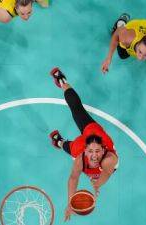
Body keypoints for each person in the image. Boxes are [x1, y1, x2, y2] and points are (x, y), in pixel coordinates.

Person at [48, 68, 118, 221]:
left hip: (96, 135)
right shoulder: (81, 156)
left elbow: (106, 173)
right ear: (86, 150)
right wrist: (70, 202)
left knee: (69, 146)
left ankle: (59, 142)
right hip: (87, 136)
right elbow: (73, 178)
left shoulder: (109, 159)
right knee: (76, 110)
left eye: (97, 152)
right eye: (91, 152)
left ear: (103, 149)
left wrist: (97, 184)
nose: (94, 155)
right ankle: (63, 82)